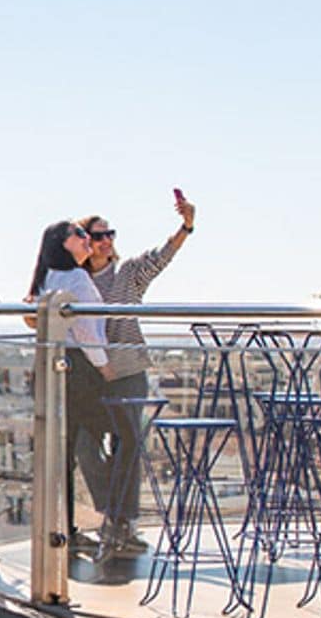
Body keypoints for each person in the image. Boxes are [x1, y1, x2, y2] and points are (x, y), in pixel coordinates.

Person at [77, 194, 197, 560]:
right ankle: (112, 512)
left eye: (110, 234)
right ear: (85, 242)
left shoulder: (126, 274)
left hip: (128, 372)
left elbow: (160, 258)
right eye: (99, 236)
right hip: (89, 377)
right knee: (85, 445)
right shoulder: (76, 282)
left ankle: (121, 522)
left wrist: (186, 226)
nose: (107, 241)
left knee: (128, 448)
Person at [27, 219, 112, 554]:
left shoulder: (45, 277)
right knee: (118, 437)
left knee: (60, 453)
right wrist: (105, 367)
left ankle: (63, 528)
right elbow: (89, 332)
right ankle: (117, 519)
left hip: (49, 369)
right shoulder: (76, 278)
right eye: (80, 234)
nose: (87, 238)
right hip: (78, 370)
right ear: (64, 243)